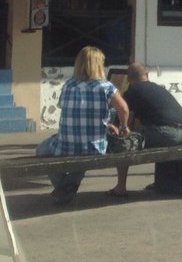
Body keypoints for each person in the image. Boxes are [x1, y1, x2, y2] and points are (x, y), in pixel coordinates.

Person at [35, 46, 130, 205]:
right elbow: (123, 108)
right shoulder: (106, 87)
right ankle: (66, 188)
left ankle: (62, 186)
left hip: (65, 145)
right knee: (83, 150)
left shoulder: (68, 85)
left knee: (41, 151)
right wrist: (123, 126)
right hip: (94, 147)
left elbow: (70, 110)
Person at [108, 62, 182, 196]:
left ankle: (120, 187)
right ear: (147, 75)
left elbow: (122, 122)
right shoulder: (159, 88)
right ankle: (162, 181)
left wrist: (119, 129)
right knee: (154, 136)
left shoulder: (132, 91)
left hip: (167, 133)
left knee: (124, 143)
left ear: (129, 79)